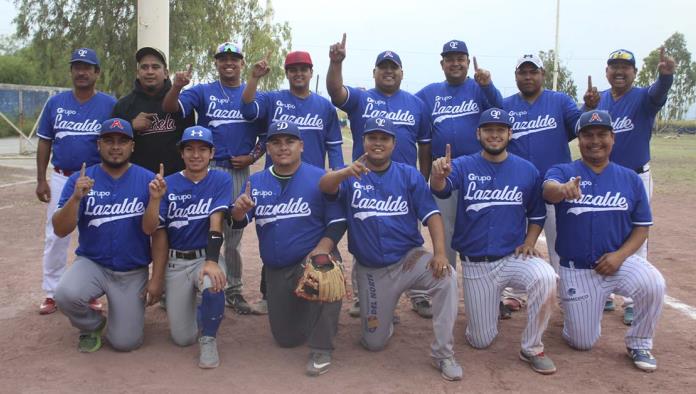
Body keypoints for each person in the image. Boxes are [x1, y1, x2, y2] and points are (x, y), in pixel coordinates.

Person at [319, 117, 462, 382]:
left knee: (447, 278)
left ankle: (444, 353)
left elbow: (432, 215)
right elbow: (325, 186)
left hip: (410, 259)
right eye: (372, 137)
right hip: (372, 269)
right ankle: (386, 313)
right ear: (363, 140)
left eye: (384, 138)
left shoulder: (408, 174)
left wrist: (440, 253)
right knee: (374, 343)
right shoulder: (350, 174)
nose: (377, 143)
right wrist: (344, 173)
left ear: (393, 144)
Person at [430, 108, 558, 375]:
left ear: (510, 134)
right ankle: (488, 307)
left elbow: (536, 212)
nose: (495, 135)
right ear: (479, 134)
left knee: (546, 276)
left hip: (513, 257)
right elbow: (440, 188)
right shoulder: (464, 165)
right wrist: (438, 174)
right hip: (478, 264)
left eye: (501, 130)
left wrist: (531, 240)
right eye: (489, 130)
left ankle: (532, 347)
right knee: (481, 341)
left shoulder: (527, 169)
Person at [543, 110, 666, 372]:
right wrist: (563, 190)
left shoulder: (630, 179)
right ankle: (578, 315)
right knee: (582, 342)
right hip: (577, 269)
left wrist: (620, 256)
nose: (595, 141)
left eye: (602, 135)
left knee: (654, 282)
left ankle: (640, 341)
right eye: (588, 135)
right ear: (579, 139)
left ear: (613, 138)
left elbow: (642, 228)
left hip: (618, 263)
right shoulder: (564, 170)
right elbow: (548, 189)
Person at [326, 34, 432, 318]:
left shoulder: (416, 104)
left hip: (404, 182)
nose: (388, 70)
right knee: (364, 235)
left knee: (412, 238)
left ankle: (419, 294)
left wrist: (423, 179)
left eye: (393, 67)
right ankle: (364, 297)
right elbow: (336, 93)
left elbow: (424, 145)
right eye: (383, 66)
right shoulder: (362, 97)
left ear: (401, 73)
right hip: (365, 180)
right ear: (374, 73)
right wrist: (336, 63)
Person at [230, 120, 345, 376]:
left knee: (326, 269)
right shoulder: (257, 182)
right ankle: (314, 315)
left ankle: (322, 346)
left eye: (289, 142)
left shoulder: (319, 177)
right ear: (268, 148)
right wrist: (239, 211)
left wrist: (322, 249)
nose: (283, 148)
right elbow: (238, 221)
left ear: (301, 146)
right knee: (287, 338)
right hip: (277, 267)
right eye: (276, 142)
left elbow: (337, 221)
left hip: (310, 255)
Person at [162, 42, 266, 315]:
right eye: (223, 58)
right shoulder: (204, 91)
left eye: (234, 59)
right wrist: (176, 87)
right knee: (196, 227)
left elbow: (266, 135)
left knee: (233, 237)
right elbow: (171, 108)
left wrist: (253, 157)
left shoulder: (252, 93)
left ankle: (232, 289)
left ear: (242, 63)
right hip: (207, 171)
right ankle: (188, 285)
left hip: (237, 171)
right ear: (216, 63)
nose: (228, 63)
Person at [53, 118, 165, 353]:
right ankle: (92, 323)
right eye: (109, 141)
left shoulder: (147, 180)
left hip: (131, 271)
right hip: (92, 263)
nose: (116, 147)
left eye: (122, 141)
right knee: (65, 294)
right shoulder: (80, 179)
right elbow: (60, 229)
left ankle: (121, 318)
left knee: (125, 343)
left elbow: (150, 230)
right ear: (98, 145)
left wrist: (154, 200)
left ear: (132, 146)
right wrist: (75, 198)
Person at [585, 48, 675, 323]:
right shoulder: (598, 98)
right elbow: (583, 128)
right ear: (607, 72)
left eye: (625, 67)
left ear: (635, 73)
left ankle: (636, 299)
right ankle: (606, 294)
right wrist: (588, 107)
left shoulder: (643, 97)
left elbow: (659, 93)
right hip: (604, 176)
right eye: (614, 66)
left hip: (636, 175)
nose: (619, 71)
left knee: (638, 234)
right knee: (602, 230)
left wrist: (666, 76)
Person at [415, 39, 503, 317]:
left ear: (468, 62)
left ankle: (492, 295)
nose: (455, 63)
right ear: (442, 64)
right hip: (446, 176)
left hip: (481, 175)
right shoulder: (429, 94)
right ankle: (446, 294)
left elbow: (501, 111)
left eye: (460, 58)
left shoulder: (479, 89)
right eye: (449, 58)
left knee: (485, 233)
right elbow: (407, 114)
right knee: (447, 237)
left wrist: (487, 84)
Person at [35, 47, 116, 315]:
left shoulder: (109, 104)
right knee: (55, 234)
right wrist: (41, 179)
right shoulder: (56, 103)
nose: (81, 72)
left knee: (94, 232)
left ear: (97, 72)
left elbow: (117, 141)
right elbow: (45, 141)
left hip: (96, 177)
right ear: (71, 71)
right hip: (61, 176)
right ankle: (51, 291)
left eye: (87, 67)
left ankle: (88, 290)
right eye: (77, 67)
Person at [499, 53, 582, 316]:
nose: (528, 76)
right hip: (519, 187)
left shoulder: (560, 101)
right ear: (516, 76)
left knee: (562, 241)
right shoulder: (506, 105)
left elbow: (579, 127)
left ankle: (568, 292)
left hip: (556, 184)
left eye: (532, 71)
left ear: (542, 74)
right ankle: (514, 292)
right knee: (516, 239)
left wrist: (589, 108)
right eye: (522, 72)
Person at [142, 126, 231, 368]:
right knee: (182, 338)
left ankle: (209, 338)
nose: (196, 155)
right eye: (189, 149)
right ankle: (196, 310)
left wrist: (212, 261)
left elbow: (216, 223)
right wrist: (155, 200)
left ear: (212, 153)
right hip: (176, 262)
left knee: (213, 284)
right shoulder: (167, 184)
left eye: (203, 149)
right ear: (181, 153)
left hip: (204, 256)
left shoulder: (220, 179)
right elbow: (150, 229)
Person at [241, 50, 344, 170]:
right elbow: (248, 111)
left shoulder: (325, 106)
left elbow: (334, 147)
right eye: (293, 70)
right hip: (276, 179)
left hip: (313, 179)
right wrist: (254, 78)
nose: (298, 73)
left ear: (311, 73)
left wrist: (339, 177)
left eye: (303, 69)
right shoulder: (272, 99)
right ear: (286, 74)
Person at [112, 46, 194, 176]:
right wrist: (131, 126)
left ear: (166, 73)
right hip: (137, 179)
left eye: (155, 67)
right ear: (138, 73)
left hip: (176, 179)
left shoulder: (181, 102)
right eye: (144, 67)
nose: (149, 71)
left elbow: (191, 143)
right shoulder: (124, 105)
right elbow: (111, 144)